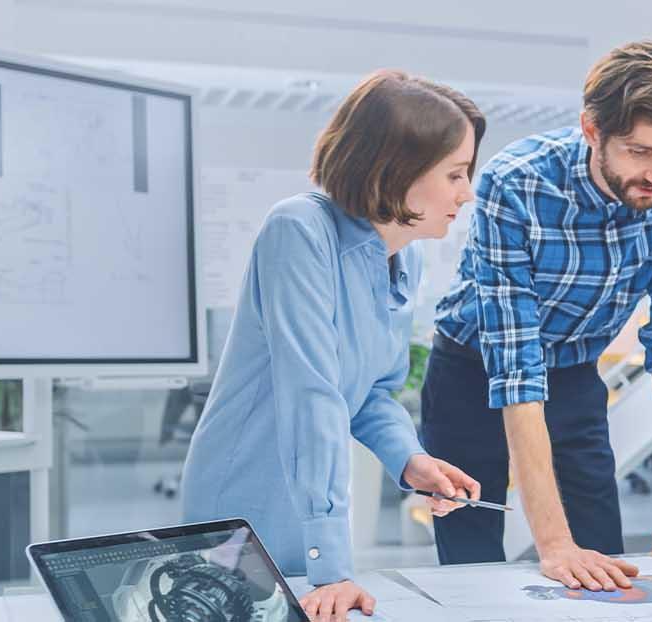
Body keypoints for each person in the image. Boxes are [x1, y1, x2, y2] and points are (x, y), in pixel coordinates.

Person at [180, 70, 487, 622]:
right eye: (455, 174)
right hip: (243, 495)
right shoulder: (299, 230)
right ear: (398, 171)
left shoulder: (402, 256)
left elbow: (370, 393)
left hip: (310, 492)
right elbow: (313, 394)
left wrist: (409, 459)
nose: (467, 192)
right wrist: (333, 564)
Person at [422, 40, 652, 591]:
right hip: (474, 368)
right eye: (639, 152)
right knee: (473, 555)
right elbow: (516, 365)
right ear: (592, 130)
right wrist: (553, 544)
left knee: (602, 551)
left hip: (575, 371)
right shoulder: (516, 183)